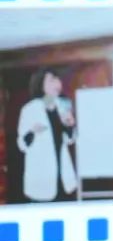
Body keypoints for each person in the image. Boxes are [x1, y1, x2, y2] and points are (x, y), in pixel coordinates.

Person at [16, 68, 78, 202]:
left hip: (63, 179)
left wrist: (70, 125)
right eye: (51, 80)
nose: (57, 83)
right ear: (41, 85)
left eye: (57, 79)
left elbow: (70, 139)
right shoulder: (30, 109)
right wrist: (32, 132)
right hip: (41, 179)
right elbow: (21, 144)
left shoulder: (63, 106)